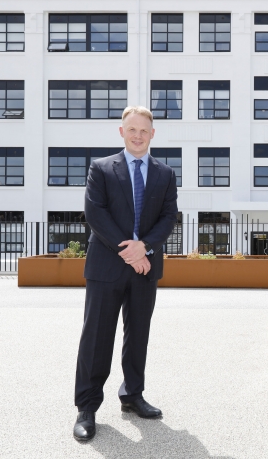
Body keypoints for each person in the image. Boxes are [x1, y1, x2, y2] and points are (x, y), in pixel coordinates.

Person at [73, 106, 179, 442]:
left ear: (152, 134)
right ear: (122, 132)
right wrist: (131, 252)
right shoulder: (102, 169)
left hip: (145, 269)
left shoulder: (165, 174)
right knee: (97, 337)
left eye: (143, 130)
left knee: (138, 335)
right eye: (131, 130)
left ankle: (133, 395)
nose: (137, 136)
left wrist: (144, 247)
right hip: (107, 267)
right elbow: (95, 213)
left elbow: (168, 218)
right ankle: (87, 408)